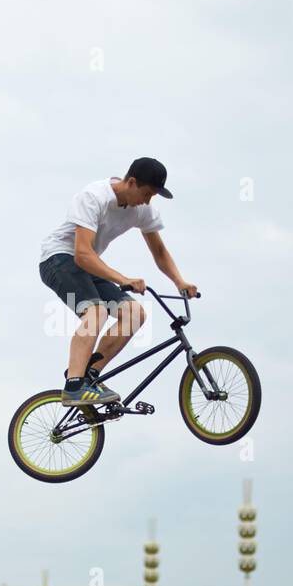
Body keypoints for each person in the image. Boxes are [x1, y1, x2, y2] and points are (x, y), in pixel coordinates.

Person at [38, 158, 196, 405]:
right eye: (146, 193)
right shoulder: (93, 198)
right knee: (96, 312)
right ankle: (74, 386)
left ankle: (89, 375)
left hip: (87, 265)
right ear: (131, 182)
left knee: (134, 313)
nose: (148, 201)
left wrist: (180, 282)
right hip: (58, 260)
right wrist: (123, 279)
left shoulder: (142, 210)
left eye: (153, 196)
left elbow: (159, 251)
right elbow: (82, 253)